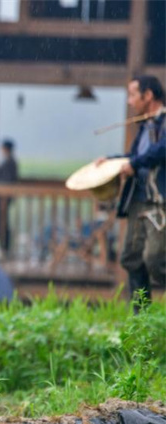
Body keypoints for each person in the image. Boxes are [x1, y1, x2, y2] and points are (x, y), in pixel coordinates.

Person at [97, 75, 165, 311]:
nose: (129, 101)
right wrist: (112, 162)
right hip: (138, 199)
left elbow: (160, 151)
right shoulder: (145, 126)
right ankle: (141, 320)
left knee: (156, 260)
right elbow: (134, 157)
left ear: (148, 96)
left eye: (133, 95)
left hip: (158, 202)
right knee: (131, 258)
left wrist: (134, 164)